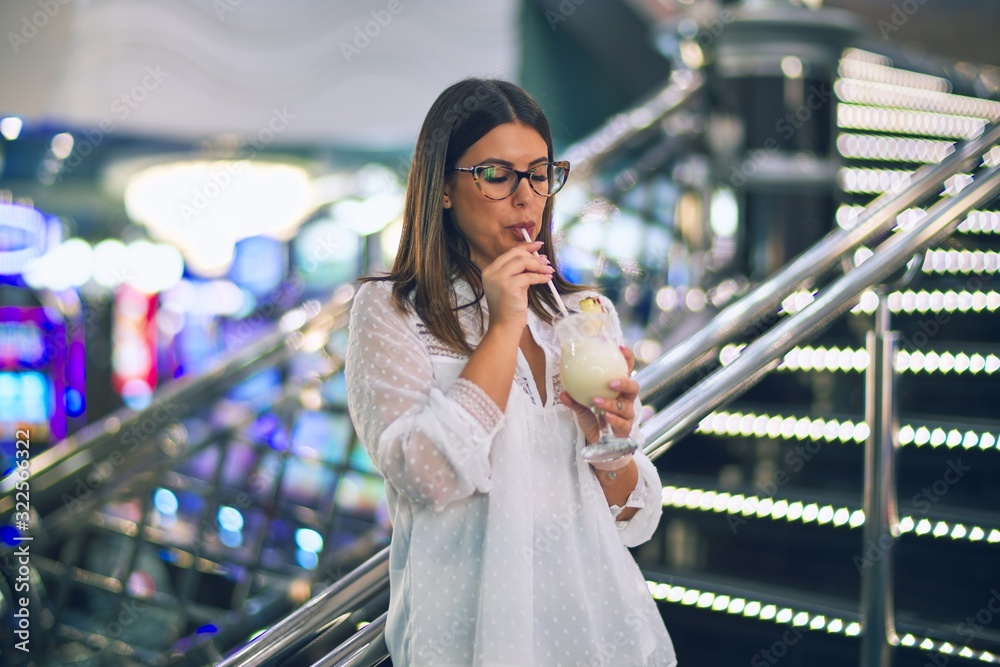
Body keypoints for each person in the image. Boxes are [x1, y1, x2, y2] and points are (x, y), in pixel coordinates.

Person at [344, 78, 676, 666]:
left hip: (597, 631)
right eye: (496, 175)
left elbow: (631, 520)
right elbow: (427, 477)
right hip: (472, 640)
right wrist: (500, 328)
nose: (526, 198)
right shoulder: (393, 311)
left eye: (540, 173)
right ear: (444, 188)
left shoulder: (584, 314)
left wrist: (612, 444)